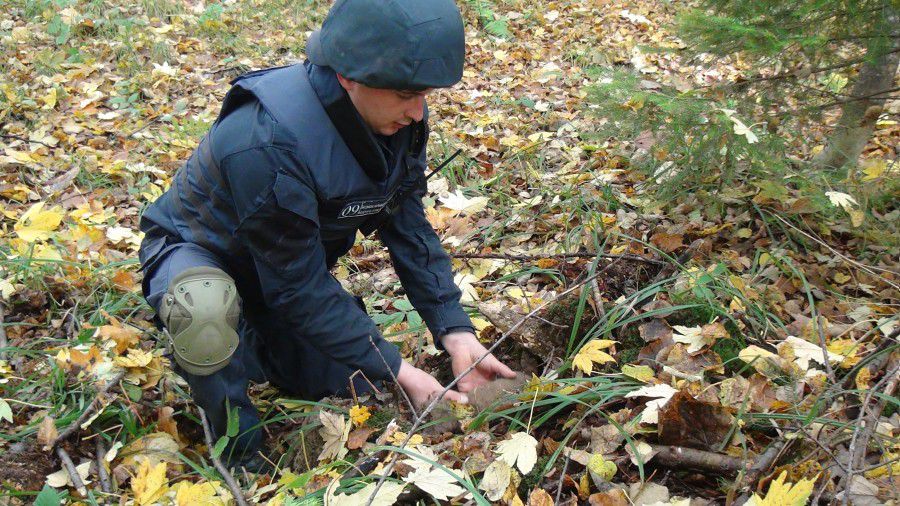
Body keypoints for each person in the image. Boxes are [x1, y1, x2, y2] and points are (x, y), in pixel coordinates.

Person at [137, 0, 516, 468]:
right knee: (205, 306)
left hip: (278, 273)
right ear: (348, 75)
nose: (418, 112)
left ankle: (252, 340)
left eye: (425, 95)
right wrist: (401, 368)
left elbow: (409, 230)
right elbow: (298, 287)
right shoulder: (268, 139)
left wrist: (455, 333)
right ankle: (240, 456)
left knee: (359, 381)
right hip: (198, 254)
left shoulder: (391, 116)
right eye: (405, 94)